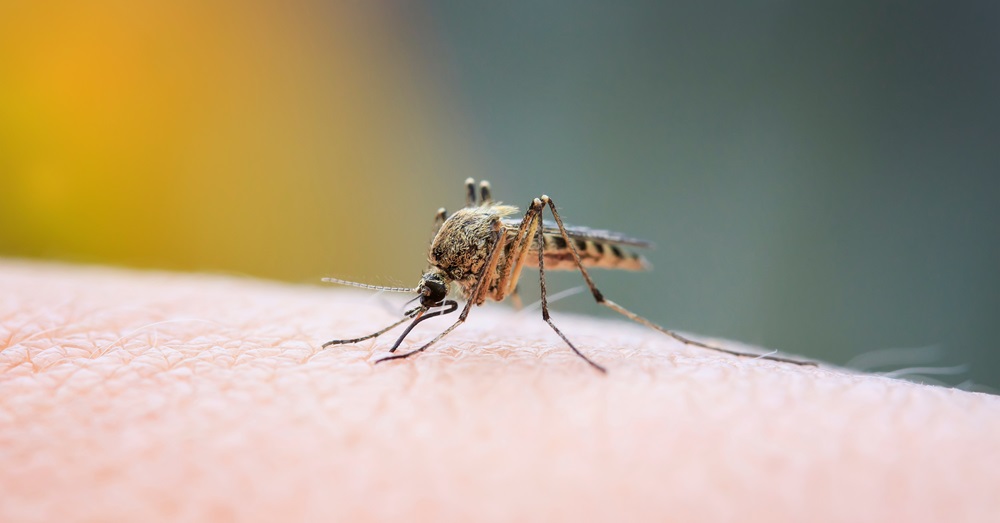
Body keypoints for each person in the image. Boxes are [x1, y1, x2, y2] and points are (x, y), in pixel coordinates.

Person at [1, 260, 997, 522]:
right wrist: (398, 325)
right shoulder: (445, 275)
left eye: (430, 299)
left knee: (508, 248)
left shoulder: (489, 255)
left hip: (548, 240)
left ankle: (583, 315)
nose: (433, 301)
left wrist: (552, 307)